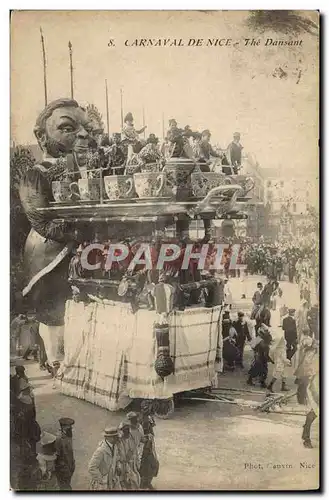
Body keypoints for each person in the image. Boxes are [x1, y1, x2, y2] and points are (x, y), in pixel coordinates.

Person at [19, 98, 90, 379]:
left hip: (80, 251)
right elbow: (41, 220)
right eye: (68, 128)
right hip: (49, 257)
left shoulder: (86, 170)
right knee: (53, 310)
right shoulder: (36, 174)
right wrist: (80, 232)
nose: (83, 135)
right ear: (41, 135)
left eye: (87, 129)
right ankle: (56, 360)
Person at [139, 401, 159, 490]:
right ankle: (143, 484)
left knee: (153, 464)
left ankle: (147, 483)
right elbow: (138, 436)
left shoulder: (149, 417)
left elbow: (151, 429)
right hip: (143, 447)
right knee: (145, 465)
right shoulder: (141, 420)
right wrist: (147, 437)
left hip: (149, 445)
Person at [117, 421, 140, 490]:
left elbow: (134, 451)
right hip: (122, 464)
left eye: (127, 429)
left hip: (131, 463)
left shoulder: (131, 438)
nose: (126, 431)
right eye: (124, 430)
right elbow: (117, 454)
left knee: (134, 480)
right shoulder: (119, 441)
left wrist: (137, 462)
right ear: (122, 431)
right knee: (123, 481)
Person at [55, 417, 75, 490]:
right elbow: (57, 455)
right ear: (63, 427)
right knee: (64, 487)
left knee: (67, 485)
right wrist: (64, 467)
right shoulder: (59, 438)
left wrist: (72, 464)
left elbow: (70, 451)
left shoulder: (68, 435)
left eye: (70, 426)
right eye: (68, 426)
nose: (70, 427)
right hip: (63, 468)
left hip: (69, 466)